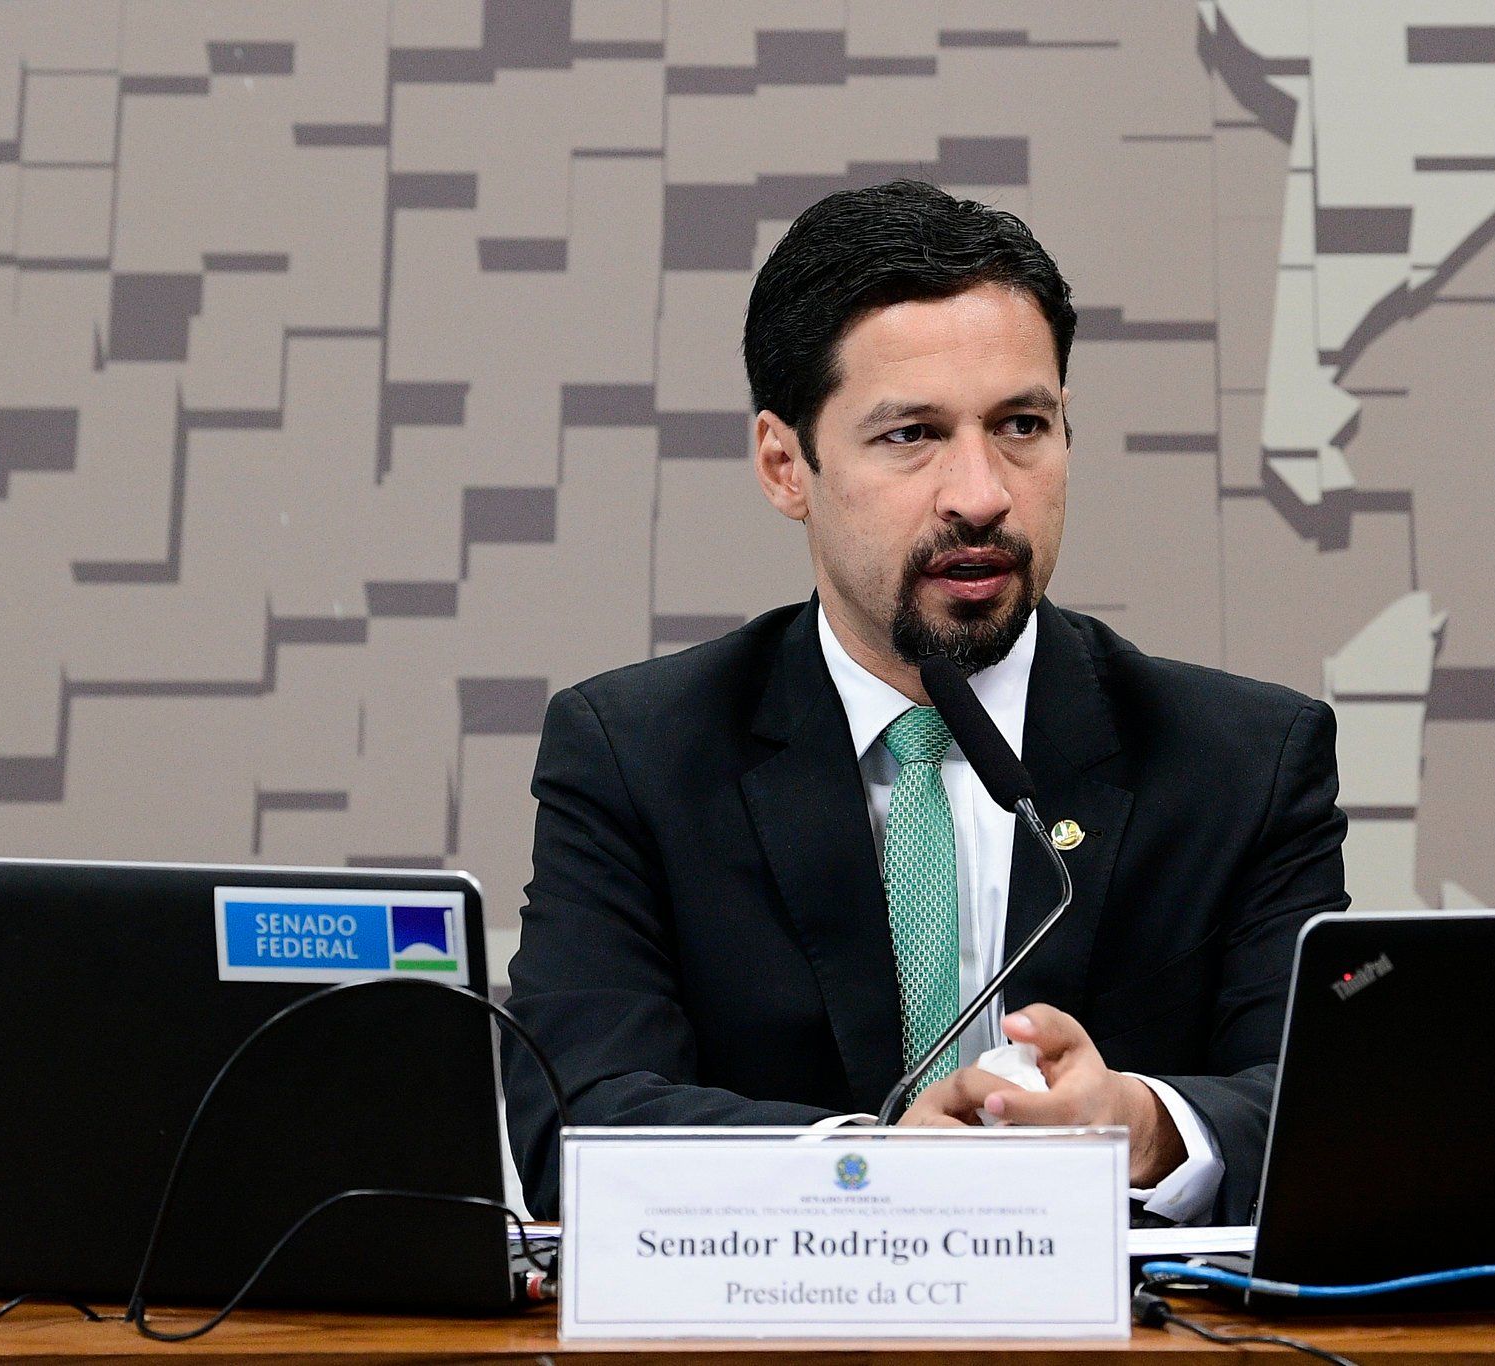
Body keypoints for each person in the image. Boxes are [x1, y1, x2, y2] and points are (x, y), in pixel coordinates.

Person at [502, 180, 1346, 1225]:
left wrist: (1146, 1125)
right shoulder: (633, 755)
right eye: (911, 435)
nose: (981, 492)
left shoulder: (1243, 760)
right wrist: (870, 1166)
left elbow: (1331, 1108)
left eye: (1021, 425)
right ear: (784, 464)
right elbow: (577, 1120)